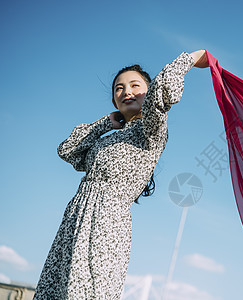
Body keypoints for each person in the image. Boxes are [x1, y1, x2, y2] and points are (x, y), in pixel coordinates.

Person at [33, 50, 208, 299]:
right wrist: (105, 123)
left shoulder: (150, 132)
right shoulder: (106, 140)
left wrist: (189, 59)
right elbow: (67, 150)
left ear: (148, 92)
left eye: (135, 86)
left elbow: (161, 94)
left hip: (107, 220)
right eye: (119, 88)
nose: (127, 91)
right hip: (74, 218)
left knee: (87, 291)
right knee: (55, 291)